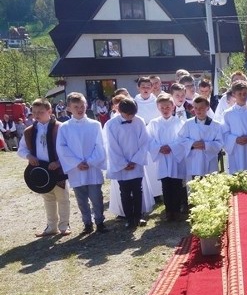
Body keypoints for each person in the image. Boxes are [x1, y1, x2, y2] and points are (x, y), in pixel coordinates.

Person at [56, 92, 109, 234]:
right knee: (81, 199)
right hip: (76, 169)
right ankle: (87, 223)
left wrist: (90, 161)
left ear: (86, 106)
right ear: (69, 108)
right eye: (76, 106)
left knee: (96, 197)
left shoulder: (95, 125)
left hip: (92, 167)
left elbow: (100, 145)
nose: (80, 109)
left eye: (82, 106)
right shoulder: (65, 127)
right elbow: (62, 147)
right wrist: (76, 163)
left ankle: (100, 221)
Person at [19, 99, 71, 237]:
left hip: (58, 169)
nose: (37, 115)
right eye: (34, 112)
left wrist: (59, 162)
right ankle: (51, 227)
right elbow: (21, 149)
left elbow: (69, 149)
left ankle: (64, 226)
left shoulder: (60, 127)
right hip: (41, 172)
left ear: (49, 111)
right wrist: (29, 156)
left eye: (41, 112)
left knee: (63, 198)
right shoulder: (29, 131)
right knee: (48, 199)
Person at [105, 97, 150, 229]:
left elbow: (144, 141)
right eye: (128, 114)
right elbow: (112, 146)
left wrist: (135, 160)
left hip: (136, 163)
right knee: (124, 192)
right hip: (121, 165)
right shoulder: (111, 124)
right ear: (119, 111)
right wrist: (124, 163)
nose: (131, 117)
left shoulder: (139, 121)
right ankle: (129, 218)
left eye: (133, 114)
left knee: (137, 190)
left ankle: (138, 216)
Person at [147, 94, 187, 222]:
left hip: (175, 158)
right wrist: (159, 147)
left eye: (168, 107)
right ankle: (168, 210)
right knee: (166, 184)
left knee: (176, 184)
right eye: (162, 107)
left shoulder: (179, 122)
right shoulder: (154, 123)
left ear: (173, 107)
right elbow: (149, 139)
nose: (165, 109)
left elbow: (182, 139)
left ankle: (177, 210)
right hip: (162, 158)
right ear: (158, 108)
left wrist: (171, 147)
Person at [221, 80, 247, 174]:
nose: (243, 96)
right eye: (239, 94)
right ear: (234, 95)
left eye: (245, 93)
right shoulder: (228, 114)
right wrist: (234, 139)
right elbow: (224, 133)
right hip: (236, 150)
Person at [178, 96, 224, 178]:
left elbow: (220, 142)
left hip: (209, 161)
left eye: (201, 108)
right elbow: (181, 139)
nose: (198, 110)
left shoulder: (216, 125)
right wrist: (192, 144)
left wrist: (206, 145)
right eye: (195, 108)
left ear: (208, 107)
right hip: (194, 160)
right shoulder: (188, 124)